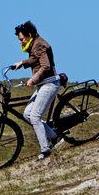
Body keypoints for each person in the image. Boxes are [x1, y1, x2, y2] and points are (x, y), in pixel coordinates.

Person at [10, 21, 61, 160]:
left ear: (29, 35)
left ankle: (45, 149)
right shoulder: (34, 44)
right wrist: (22, 63)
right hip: (42, 84)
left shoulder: (39, 44)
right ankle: (55, 137)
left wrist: (33, 80)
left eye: (22, 39)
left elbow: (45, 66)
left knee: (35, 117)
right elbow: (34, 59)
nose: (20, 42)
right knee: (27, 114)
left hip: (49, 84)